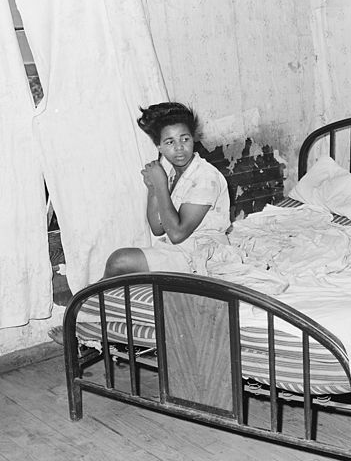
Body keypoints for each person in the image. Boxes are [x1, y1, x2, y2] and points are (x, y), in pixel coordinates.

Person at [49, 102, 231, 344]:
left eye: (185, 139)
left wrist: (160, 184)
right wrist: (154, 190)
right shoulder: (175, 171)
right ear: (159, 146)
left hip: (202, 255)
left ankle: (78, 321)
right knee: (119, 265)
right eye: (169, 142)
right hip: (179, 250)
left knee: (120, 260)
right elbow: (158, 227)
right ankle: (86, 321)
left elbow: (176, 232)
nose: (179, 148)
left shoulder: (206, 177)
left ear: (193, 139)